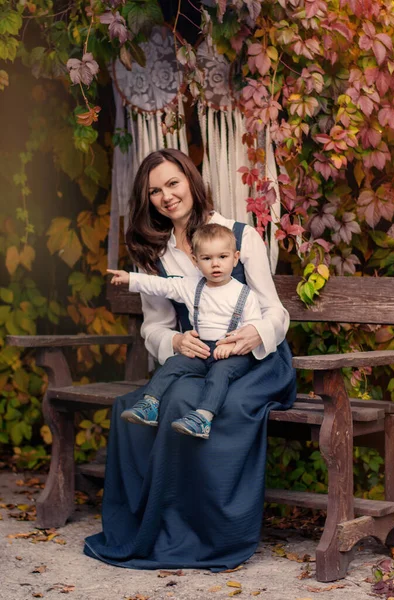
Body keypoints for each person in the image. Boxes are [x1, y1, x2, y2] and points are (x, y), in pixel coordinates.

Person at [84, 148, 296, 572]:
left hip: (252, 358)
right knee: (170, 399)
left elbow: (276, 311)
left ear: (191, 181)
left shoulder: (237, 234)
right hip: (197, 358)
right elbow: (154, 327)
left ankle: (216, 533)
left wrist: (256, 333)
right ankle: (169, 530)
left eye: (173, 183)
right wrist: (176, 342)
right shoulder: (156, 255)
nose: (166, 196)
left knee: (221, 407)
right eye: (155, 191)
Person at [107, 223, 262, 440]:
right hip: (202, 349)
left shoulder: (245, 295)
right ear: (196, 261)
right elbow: (161, 285)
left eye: (222, 257)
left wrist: (233, 345)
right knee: (174, 363)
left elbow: (253, 328)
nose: (215, 264)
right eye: (207, 258)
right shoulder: (192, 287)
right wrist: (130, 278)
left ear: (235, 258)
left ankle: (203, 418)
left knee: (220, 373)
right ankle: (150, 404)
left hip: (233, 354)